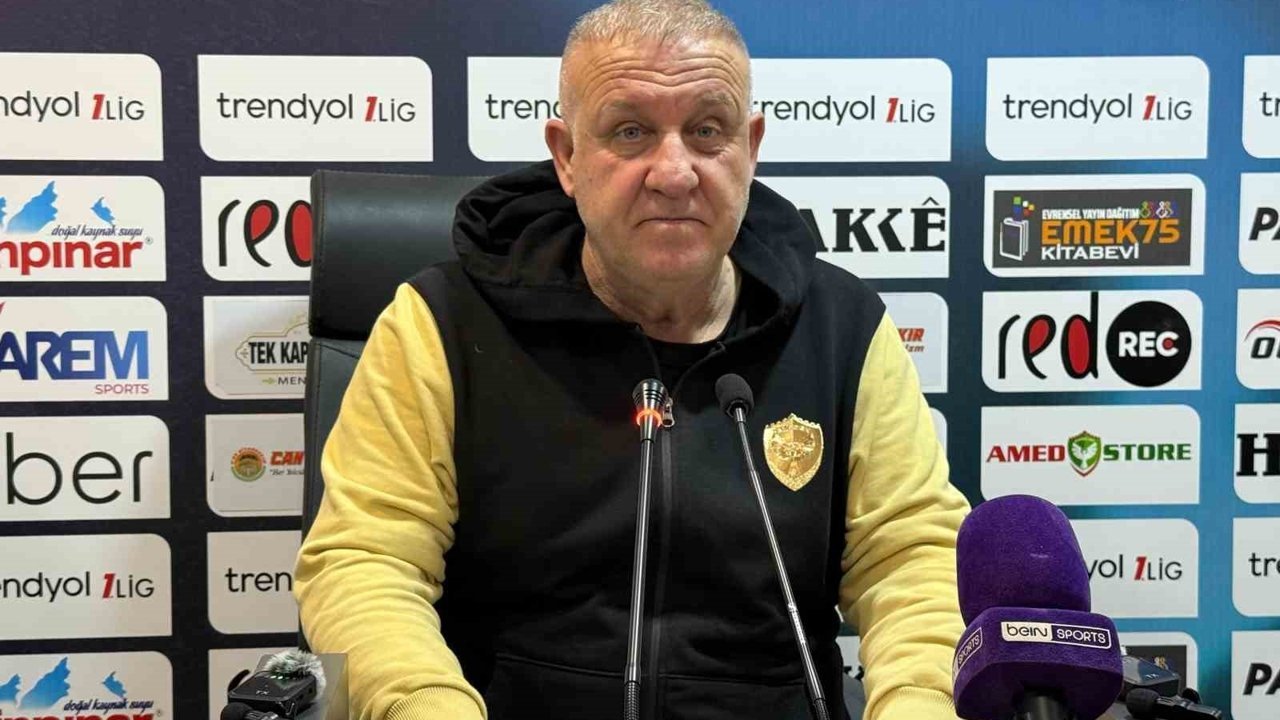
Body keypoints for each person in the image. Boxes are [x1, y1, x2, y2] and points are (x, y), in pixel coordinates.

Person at [294, 1, 970, 718]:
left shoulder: (844, 327)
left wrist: (919, 703)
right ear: (566, 157)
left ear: (750, 148)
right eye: (630, 131)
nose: (674, 173)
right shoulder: (441, 323)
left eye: (707, 130)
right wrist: (424, 705)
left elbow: (910, 558)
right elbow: (368, 562)